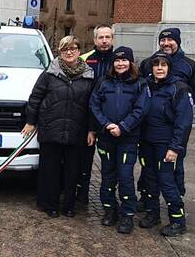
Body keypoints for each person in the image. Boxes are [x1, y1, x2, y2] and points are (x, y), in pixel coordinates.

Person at [22, 35, 96, 218]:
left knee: (73, 171)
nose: (69, 52)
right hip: (51, 129)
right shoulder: (49, 74)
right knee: (50, 170)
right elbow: (35, 98)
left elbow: (94, 105)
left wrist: (91, 129)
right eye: (65, 49)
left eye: (73, 49)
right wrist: (31, 122)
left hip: (77, 130)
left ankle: (69, 205)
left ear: (79, 52)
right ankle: (50, 204)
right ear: (60, 52)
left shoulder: (89, 75)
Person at [137, 27, 195, 207]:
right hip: (150, 130)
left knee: (173, 170)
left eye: (170, 40)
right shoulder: (147, 63)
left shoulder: (190, 66)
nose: (166, 43)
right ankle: (147, 200)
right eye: (163, 40)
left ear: (178, 41)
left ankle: (175, 203)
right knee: (148, 170)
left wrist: (174, 108)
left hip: (172, 129)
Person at [89, 47, 149, 234]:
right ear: (112, 63)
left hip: (128, 139)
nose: (120, 64)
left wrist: (122, 127)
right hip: (106, 138)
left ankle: (127, 215)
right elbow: (94, 104)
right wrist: (106, 124)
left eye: (124, 61)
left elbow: (141, 110)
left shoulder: (140, 84)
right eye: (117, 61)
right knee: (107, 176)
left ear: (131, 63)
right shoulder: (103, 82)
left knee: (125, 177)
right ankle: (109, 210)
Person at [138, 51, 193, 237]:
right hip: (146, 142)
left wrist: (175, 147)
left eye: (163, 64)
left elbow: (183, 122)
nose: (159, 68)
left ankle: (178, 220)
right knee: (149, 179)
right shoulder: (146, 85)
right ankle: (153, 213)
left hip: (166, 145)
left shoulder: (179, 88)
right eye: (156, 64)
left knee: (167, 182)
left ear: (169, 67)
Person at [77, 24, 115, 204]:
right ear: (94, 40)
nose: (104, 41)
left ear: (113, 39)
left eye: (108, 37)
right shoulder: (84, 59)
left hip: (111, 121)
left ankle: (109, 201)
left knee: (110, 165)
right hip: (87, 119)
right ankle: (81, 195)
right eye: (101, 37)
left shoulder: (120, 60)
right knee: (84, 162)